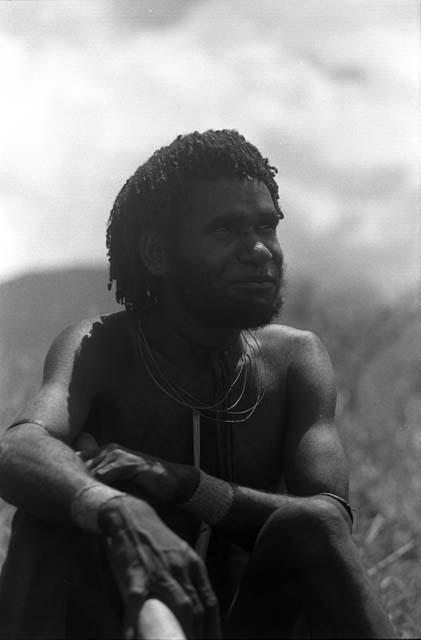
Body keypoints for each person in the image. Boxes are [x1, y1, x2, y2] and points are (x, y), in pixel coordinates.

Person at [0, 130, 393, 639]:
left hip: (247, 624)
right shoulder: (100, 347)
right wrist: (116, 508)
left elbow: (329, 517)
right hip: (124, 622)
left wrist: (188, 485)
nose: (259, 250)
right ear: (158, 254)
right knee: (48, 516)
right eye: (226, 231)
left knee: (309, 527)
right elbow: (20, 447)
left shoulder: (296, 358)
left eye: (266, 227)